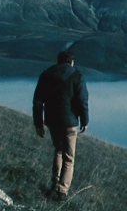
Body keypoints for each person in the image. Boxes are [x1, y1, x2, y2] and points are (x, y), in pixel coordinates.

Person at [32, 50, 89, 202]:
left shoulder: (46, 74)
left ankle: (54, 182)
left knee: (58, 150)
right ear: (72, 62)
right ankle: (62, 191)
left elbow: (37, 101)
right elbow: (82, 100)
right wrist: (85, 120)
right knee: (69, 158)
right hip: (69, 122)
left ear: (58, 61)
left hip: (51, 120)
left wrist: (38, 123)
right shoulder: (77, 76)